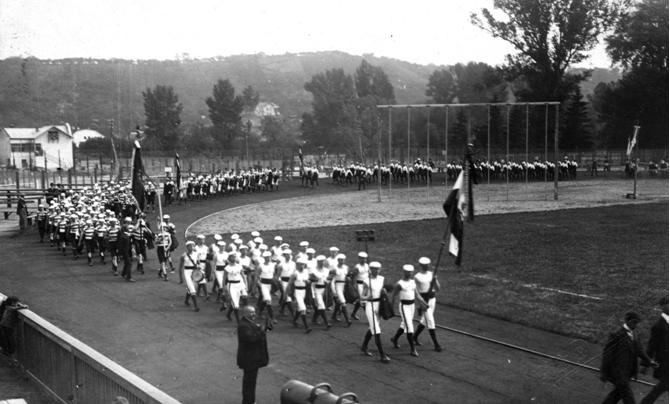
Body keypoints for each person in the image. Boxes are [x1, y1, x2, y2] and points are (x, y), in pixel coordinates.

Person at [600, 311, 656, 404]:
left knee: (616, 395)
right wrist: (603, 372)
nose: (636, 325)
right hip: (618, 372)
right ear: (627, 320)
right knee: (628, 396)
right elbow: (607, 354)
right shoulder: (616, 334)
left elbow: (639, 350)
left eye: (637, 322)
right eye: (634, 322)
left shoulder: (635, 334)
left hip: (628, 372)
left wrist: (649, 361)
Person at [389, 264, 426, 357]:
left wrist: (424, 303)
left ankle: (395, 338)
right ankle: (413, 349)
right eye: (408, 272)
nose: (410, 274)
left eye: (411, 272)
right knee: (409, 326)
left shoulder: (413, 282)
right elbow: (393, 296)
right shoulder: (399, 284)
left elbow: (417, 295)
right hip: (404, 307)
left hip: (411, 306)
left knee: (404, 324)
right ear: (404, 272)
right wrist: (391, 308)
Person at [237, 305, 270, 404]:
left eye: (254, 312)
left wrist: (264, 327)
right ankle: (248, 402)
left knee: (251, 382)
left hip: (252, 359)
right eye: (251, 312)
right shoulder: (243, 326)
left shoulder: (249, 323)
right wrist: (262, 330)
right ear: (245, 313)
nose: (254, 314)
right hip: (249, 360)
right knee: (249, 383)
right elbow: (251, 338)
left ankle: (250, 401)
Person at [360, 261, 390, 363]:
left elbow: (383, 290)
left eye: (377, 269)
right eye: (373, 268)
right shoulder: (366, 281)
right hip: (370, 305)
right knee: (376, 330)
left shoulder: (382, 279)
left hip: (379, 305)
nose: (375, 270)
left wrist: (384, 292)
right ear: (370, 269)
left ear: (380, 269)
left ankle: (364, 346)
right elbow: (362, 296)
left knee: (373, 327)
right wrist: (368, 296)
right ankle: (382, 355)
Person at [640, 296, 668, 404]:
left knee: (662, 387)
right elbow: (652, 346)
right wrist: (645, 364)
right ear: (663, 306)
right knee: (663, 386)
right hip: (665, 364)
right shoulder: (659, 326)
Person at [413, 257, 442, 352]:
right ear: (420, 265)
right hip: (424, 301)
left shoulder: (431, 274)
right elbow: (415, 291)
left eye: (428, 265)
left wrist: (435, 280)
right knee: (430, 320)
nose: (427, 266)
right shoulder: (417, 277)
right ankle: (436, 344)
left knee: (424, 321)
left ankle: (414, 337)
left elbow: (438, 289)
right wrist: (420, 303)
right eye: (425, 265)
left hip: (432, 299)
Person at [179, 241, 200, 312]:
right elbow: (180, 267)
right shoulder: (183, 255)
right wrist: (181, 278)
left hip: (194, 272)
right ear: (187, 247)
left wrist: (199, 268)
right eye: (190, 246)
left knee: (191, 287)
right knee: (192, 289)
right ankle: (196, 306)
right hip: (187, 272)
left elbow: (198, 262)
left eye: (192, 246)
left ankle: (186, 301)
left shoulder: (196, 254)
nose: (191, 247)